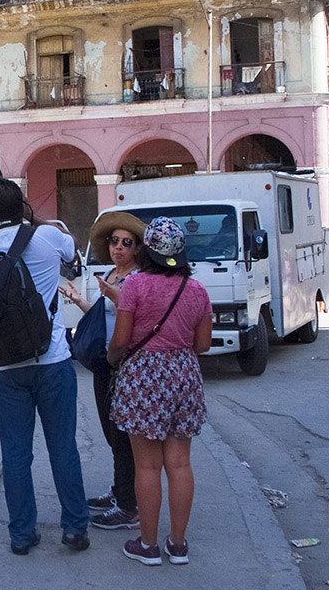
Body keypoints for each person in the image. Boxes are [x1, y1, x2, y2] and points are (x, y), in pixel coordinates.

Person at [0, 178, 91, 555]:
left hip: (5, 365)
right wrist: (37, 220)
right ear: (22, 204)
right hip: (51, 359)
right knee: (63, 447)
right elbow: (72, 254)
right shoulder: (48, 237)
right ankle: (74, 528)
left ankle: (21, 534)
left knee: (16, 453)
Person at [108, 217, 212, 567]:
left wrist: (112, 358)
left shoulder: (135, 285)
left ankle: (148, 545)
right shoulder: (197, 290)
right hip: (184, 375)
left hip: (143, 377)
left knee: (147, 467)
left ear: (146, 249)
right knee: (180, 464)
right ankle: (178, 545)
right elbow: (203, 344)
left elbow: (121, 340)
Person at [59, 210, 147, 531]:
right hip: (104, 364)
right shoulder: (111, 274)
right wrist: (80, 300)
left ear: (138, 248)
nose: (119, 247)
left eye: (126, 242)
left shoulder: (137, 278)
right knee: (113, 435)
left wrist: (115, 295)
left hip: (125, 365)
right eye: (114, 241)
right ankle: (120, 492)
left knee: (123, 437)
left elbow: (138, 310)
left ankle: (129, 506)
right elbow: (101, 315)